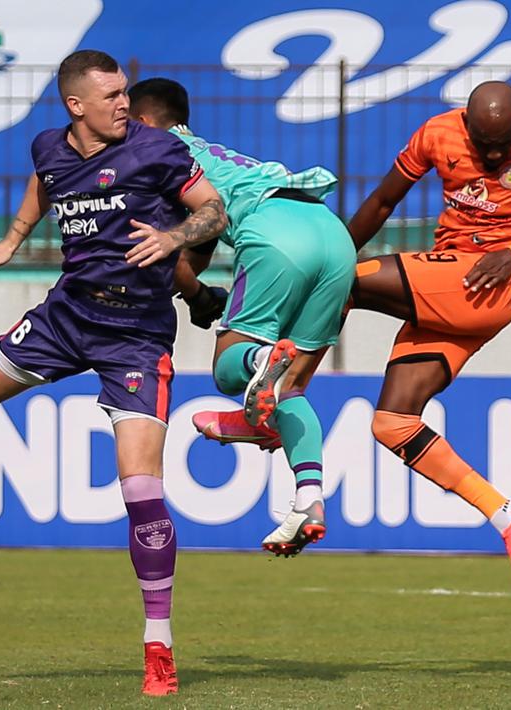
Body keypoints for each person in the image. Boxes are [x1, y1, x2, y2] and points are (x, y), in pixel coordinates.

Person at [197, 81, 511, 599]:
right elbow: (384, 200)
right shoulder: (437, 133)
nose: (495, 156)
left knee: (345, 282)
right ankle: (509, 516)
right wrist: (338, 248)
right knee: (392, 423)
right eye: (484, 145)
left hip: (488, 284)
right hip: (454, 288)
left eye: (504, 145)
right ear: (467, 126)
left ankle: (275, 404)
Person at [0, 50, 227, 697]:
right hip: (64, 319)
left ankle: (157, 646)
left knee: (140, 491)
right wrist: (14, 240)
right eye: (110, 96)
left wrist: (174, 238)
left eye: (126, 93)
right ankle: (25, 352)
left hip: (135, 341)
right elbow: (42, 185)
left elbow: (213, 210)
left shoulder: (154, 150)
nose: (124, 104)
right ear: (76, 105)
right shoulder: (49, 144)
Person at [127, 78, 357, 558]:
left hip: (274, 234)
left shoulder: (154, 151)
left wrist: (189, 293)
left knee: (230, 366)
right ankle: (309, 500)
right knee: (288, 387)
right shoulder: (208, 155)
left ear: (143, 121)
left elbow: (169, 251)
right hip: (332, 236)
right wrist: (196, 294)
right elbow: (194, 254)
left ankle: (260, 360)